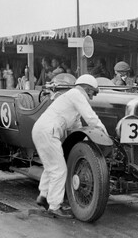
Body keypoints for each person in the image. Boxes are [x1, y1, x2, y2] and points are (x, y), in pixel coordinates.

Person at [31, 74, 108, 218]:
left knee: (51, 166)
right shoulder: (76, 94)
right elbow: (91, 117)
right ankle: (54, 207)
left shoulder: (71, 98)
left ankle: (43, 196)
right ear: (87, 88)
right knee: (59, 169)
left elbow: (76, 126)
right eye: (94, 92)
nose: (93, 96)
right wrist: (105, 134)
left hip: (42, 130)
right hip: (48, 131)